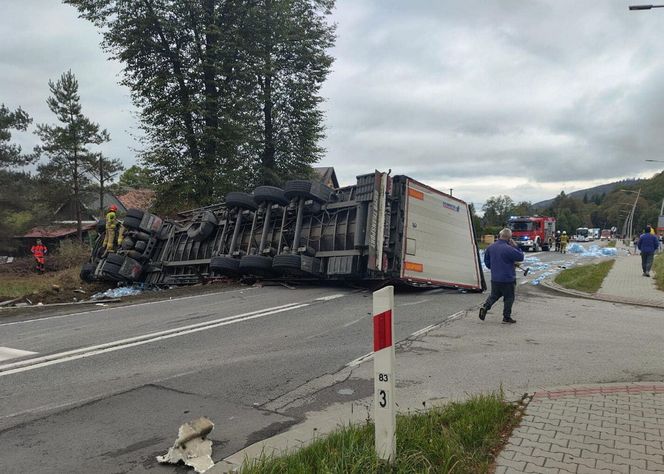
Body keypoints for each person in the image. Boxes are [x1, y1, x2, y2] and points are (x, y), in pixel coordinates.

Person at [479, 228, 524, 324]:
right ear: (509, 238)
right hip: (508, 278)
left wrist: (494, 267)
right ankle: (506, 317)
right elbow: (520, 257)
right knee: (509, 297)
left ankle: (485, 307)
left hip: (495, 277)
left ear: (499, 236)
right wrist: (515, 246)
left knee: (494, 295)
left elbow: (487, 262)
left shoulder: (491, 247)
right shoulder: (509, 248)